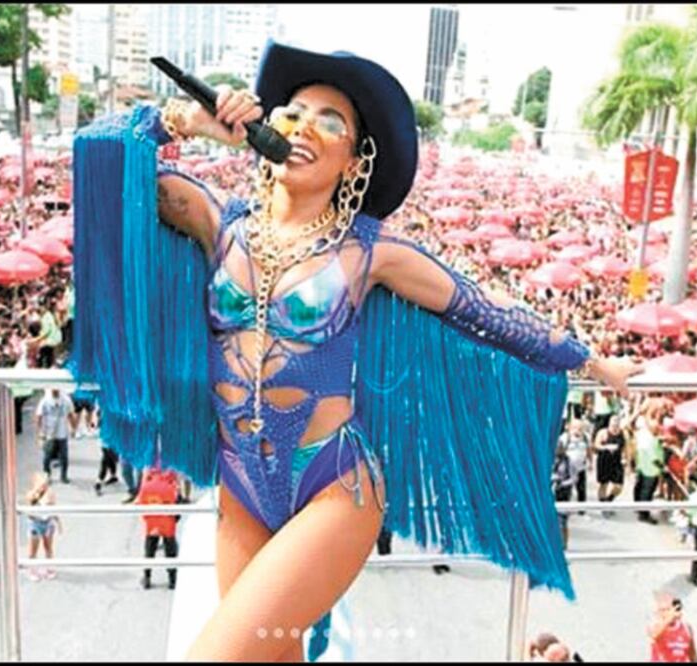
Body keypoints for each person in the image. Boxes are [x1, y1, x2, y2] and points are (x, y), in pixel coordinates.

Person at [72, 39, 639, 661]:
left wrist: (592, 361)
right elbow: (104, 164)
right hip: (240, 484)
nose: (303, 127)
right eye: (292, 112)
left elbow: (484, 311)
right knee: (273, 656)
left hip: (333, 487)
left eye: (330, 121)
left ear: (354, 162)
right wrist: (188, 121)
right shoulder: (218, 222)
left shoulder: (369, 253)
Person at [135, 467, 181, 590]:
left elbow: (141, 504)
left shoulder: (146, 485)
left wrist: (147, 519)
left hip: (152, 522)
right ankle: (172, 579)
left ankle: (147, 577)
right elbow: (178, 505)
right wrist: (174, 519)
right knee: (170, 551)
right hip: (168, 523)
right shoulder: (171, 484)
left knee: (149, 550)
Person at [24, 471, 62, 582]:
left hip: (48, 523)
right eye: (42, 484)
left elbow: (54, 509)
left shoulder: (50, 494)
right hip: (35, 524)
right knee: (33, 550)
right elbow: (29, 509)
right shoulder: (31, 494)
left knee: (48, 548)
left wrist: (58, 522)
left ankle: (49, 569)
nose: (44, 486)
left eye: (46, 484)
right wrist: (36, 495)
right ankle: (32, 570)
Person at [35, 389, 77, 484]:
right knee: (47, 456)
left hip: (62, 432)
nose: (55, 390)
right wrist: (39, 432)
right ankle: (47, 475)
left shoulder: (66, 400)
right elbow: (38, 416)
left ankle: (63, 476)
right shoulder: (45, 401)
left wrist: (73, 428)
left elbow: (71, 415)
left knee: (64, 456)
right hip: (49, 433)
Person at [648, 593, 697, 662]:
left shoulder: (686, 628)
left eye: (668, 609)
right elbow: (654, 634)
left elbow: (692, 655)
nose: (665, 613)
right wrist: (670, 618)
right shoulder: (656, 625)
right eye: (662, 610)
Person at [593, 414, 627, 516]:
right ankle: (603, 506)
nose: (615, 424)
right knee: (603, 484)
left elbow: (626, 448)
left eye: (617, 422)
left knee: (619, 486)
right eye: (613, 422)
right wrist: (606, 447)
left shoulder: (622, 433)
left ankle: (608, 500)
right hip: (604, 460)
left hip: (617, 461)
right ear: (609, 423)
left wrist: (626, 461)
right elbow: (596, 445)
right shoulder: (603, 432)